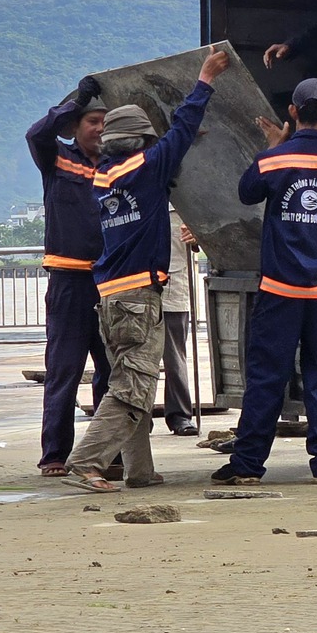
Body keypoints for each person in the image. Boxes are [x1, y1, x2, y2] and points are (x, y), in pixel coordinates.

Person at [63, 48, 230, 493]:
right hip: (139, 296)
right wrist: (206, 79)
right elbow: (182, 129)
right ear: (142, 142)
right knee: (134, 385)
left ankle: (139, 470)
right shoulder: (147, 168)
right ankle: (85, 462)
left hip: (110, 296)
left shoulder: (104, 175)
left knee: (128, 378)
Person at [214, 78, 317, 487]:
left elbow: (247, 192)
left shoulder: (274, 162)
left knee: (267, 375)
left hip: (280, 290)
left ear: (293, 113)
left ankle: (247, 465)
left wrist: (272, 145)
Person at [25, 78, 112, 477]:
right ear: (76, 127)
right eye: (92, 120)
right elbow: (36, 133)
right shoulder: (56, 159)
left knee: (112, 373)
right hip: (69, 282)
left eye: (105, 122)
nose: (99, 128)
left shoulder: (118, 166)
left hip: (112, 284)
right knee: (64, 370)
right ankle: (54, 455)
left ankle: (106, 453)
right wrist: (75, 99)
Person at [162, 210, 200, 436]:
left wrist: (198, 236)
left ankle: (180, 414)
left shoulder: (187, 200)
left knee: (174, 357)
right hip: (138, 284)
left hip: (174, 286)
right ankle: (137, 417)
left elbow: (210, 233)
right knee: (136, 358)